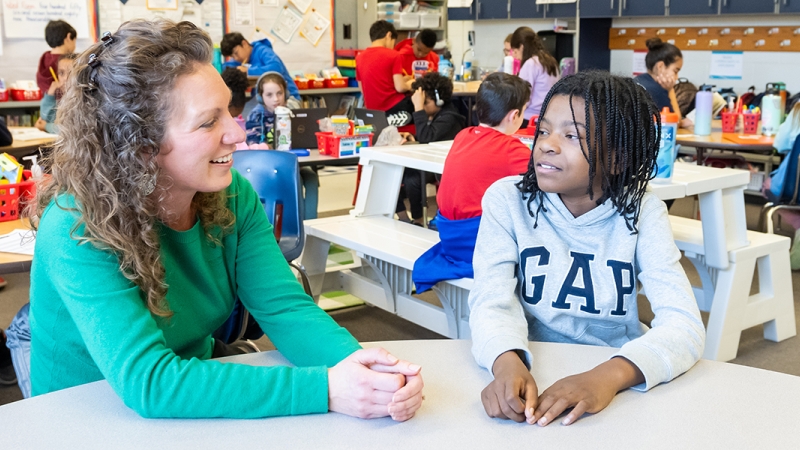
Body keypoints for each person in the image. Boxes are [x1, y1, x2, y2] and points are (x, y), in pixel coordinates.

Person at [29, 19, 424, 421]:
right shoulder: (75, 226)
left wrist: (362, 369)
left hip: (192, 398)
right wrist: (324, 388)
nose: (236, 133)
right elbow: (149, 382)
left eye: (229, 112)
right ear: (141, 146)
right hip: (85, 419)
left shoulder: (229, 193)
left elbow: (285, 309)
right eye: (208, 121)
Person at [469, 71, 705, 427]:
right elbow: (491, 300)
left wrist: (606, 378)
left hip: (617, 378)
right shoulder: (508, 201)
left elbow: (684, 325)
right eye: (544, 130)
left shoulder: (642, 212)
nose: (547, 144)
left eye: (571, 135)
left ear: (617, 159)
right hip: (531, 369)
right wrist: (505, 361)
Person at [412, 73, 531, 291]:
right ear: (515, 115)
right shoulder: (513, 150)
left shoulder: (464, 135)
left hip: (450, 238)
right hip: (476, 244)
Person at [246, 72, 319, 220]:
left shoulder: (292, 113)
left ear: (285, 93)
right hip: (271, 167)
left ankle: (311, 226)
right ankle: (297, 226)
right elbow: (253, 143)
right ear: (261, 97)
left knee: (311, 179)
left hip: (294, 162)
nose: (276, 99)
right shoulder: (256, 116)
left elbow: (304, 138)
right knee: (296, 180)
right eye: (269, 95)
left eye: (279, 93)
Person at [396, 73, 465, 226]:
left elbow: (427, 137)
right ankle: (403, 218)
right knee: (393, 173)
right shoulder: (436, 115)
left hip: (442, 165)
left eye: (425, 102)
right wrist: (412, 136)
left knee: (412, 178)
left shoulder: (450, 117)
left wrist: (418, 108)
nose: (422, 106)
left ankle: (419, 220)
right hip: (429, 159)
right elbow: (427, 136)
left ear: (439, 100)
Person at [356, 20, 415, 128]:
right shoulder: (393, 55)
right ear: (388, 35)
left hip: (374, 111)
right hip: (395, 107)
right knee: (424, 104)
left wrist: (402, 80)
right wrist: (410, 83)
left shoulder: (360, 57)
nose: (393, 46)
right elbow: (400, 88)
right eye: (394, 42)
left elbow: (363, 89)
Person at [220, 32, 300, 100]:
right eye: (232, 56)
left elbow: (276, 68)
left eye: (236, 53)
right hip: (264, 100)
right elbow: (226, 67)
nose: (236, 58)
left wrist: (248, 70)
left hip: (288, 97)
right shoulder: (241, 59)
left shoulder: (263, 50)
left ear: (244, 44)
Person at [635, 38, 692, 129]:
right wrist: (670, 90)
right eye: (675, 71)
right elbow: (675, 123)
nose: (676, 77)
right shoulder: (656, 90)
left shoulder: (638, 80)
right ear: (660, 66)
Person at [509, 27, 559, 124]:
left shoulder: (531, 64)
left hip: (530, 120)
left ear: (522, 47)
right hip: (548, 118)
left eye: (515, 51)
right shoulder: (551, 61)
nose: (514, 56)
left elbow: (523, 98)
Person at [35, 53, 77, 134]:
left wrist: (46, 126)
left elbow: (70, 130)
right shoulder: (64, 99)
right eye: (61, 73)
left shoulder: (86, 100)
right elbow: (46, 120)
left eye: (71, 72)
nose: (65, 78)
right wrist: (50, 95)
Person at [36, 20, 77, 93]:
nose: (75, 46)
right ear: (68, 37)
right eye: (74, 41)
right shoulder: (67, 62)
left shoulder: (44, 58)